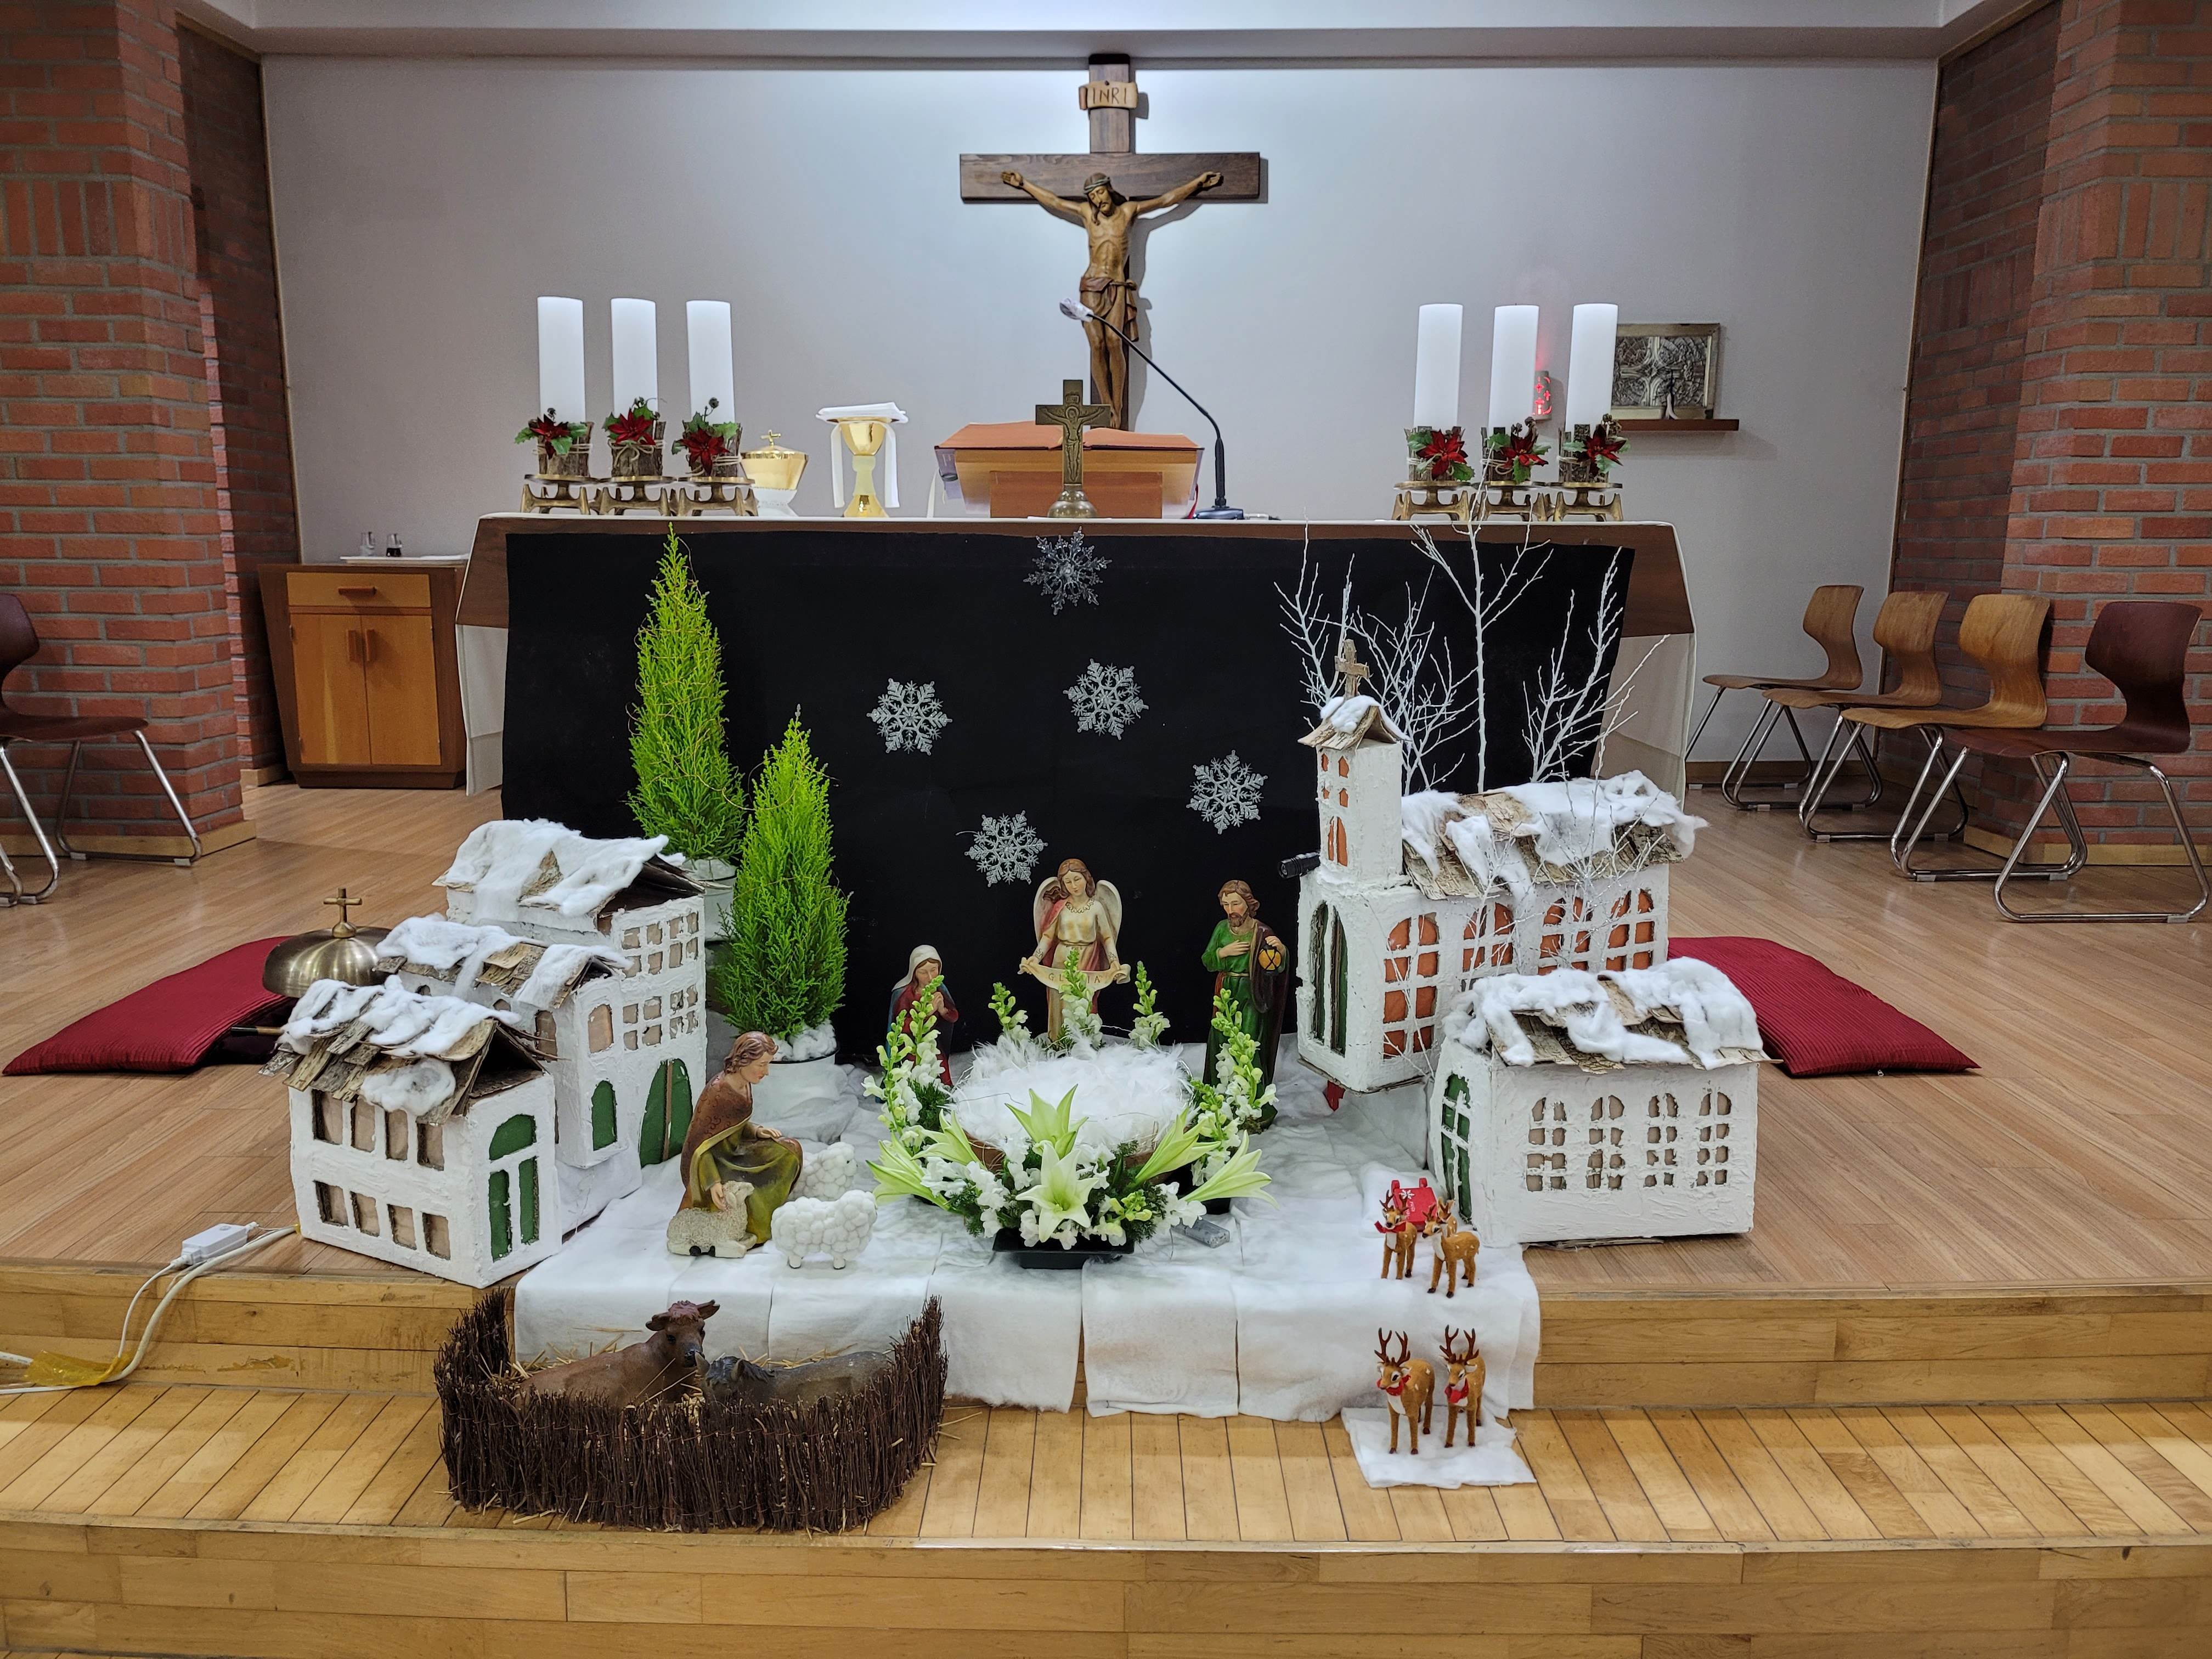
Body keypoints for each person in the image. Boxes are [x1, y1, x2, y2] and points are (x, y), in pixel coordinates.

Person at [997, 167, 1223, 430]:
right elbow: (1056, 202)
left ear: (1109, 190)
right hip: (1091, 287)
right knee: (1097, 345)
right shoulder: (1087, 214)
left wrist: (1197, 183)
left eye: (1100, 193)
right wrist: (1024, 184)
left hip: (1117, 286)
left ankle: (1119, 406)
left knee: (1115, 342)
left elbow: (1165, 200)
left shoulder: (1128, 212)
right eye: (1092, 196)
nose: (1097, 200)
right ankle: (1107, 407)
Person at [677, 1031, 802, 1246]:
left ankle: (771, 1211)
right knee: (748, 1185)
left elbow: (731, 1127)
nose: (767, 1072)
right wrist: (713, 1182)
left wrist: (756, 1131)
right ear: (743, 1060)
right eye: (762, 1065)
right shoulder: (718, 1092)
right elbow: (702, 1146)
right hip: (715, 1164)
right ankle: (754, 1226)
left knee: (790, 1150)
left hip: (736, 1152)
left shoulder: (745, 1083)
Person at [1020, 855, 1129, 1040]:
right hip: (1061, 960)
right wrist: (1035, 958)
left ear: (1086, 878)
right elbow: (1048, 937)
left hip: (1087, 959)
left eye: (1077, 879)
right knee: (1060, 1002)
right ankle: (1059, 1042)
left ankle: (1083, 1043)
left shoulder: (1096, 907)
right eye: (1068, 882)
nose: (1074, 886)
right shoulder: (1060, 907)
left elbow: (1107, 938)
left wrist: (1114, 962)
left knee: (1083, 1002)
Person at [1201, 878, 1288, 1088]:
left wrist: (1281, 951)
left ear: (1249, 904)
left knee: (1248, 1038)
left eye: (1236, 904)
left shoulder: (1262, 932)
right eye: (1226, 905)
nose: (1231, 910)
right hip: (1226, 991)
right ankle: (1222, 1086)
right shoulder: (1222, 929)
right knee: (1223, 1035)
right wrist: (1223, 952)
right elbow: (1207, 960)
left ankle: (1250, 1091)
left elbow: (1276, 968)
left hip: (1252, 991)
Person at [888, 945, 958, 1086]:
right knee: (912, 1074)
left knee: (940, 1067)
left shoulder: (940, 989)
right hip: (911, 1045)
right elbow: (900, 1025)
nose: (930, 977)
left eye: (934, 970)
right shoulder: (905, 994)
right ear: (914, 973)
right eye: (923, 972)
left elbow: (954, 1016)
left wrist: (943, 1010)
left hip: (932, 1043)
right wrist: (926, 1013)